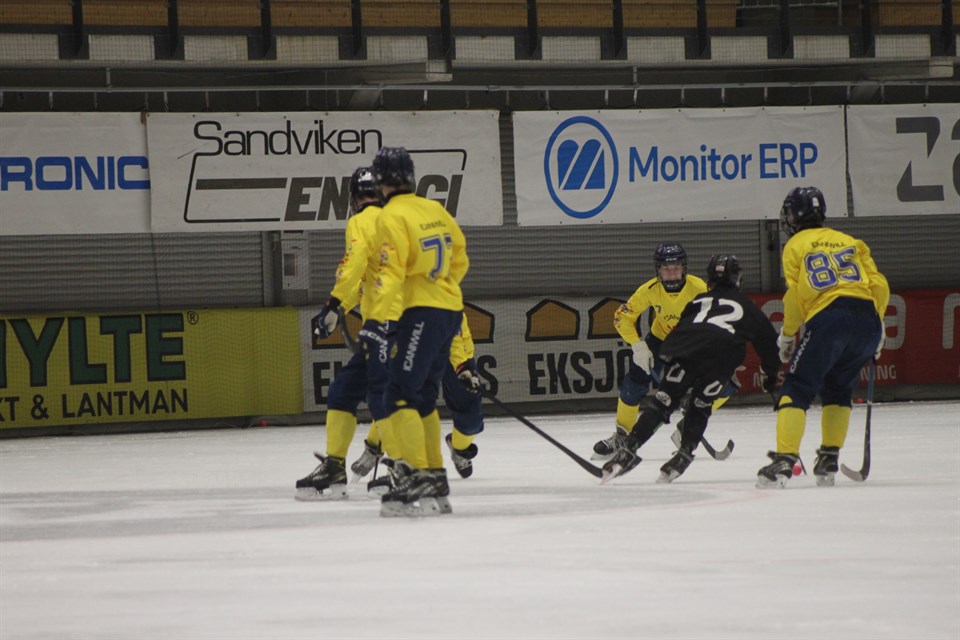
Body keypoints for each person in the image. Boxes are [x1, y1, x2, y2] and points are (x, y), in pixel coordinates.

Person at [602, 255, 781, 483]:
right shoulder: (747, 306)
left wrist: (670, 359)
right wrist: (770, 376)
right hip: (717, 361)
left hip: (683, 355)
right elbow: (768, 343)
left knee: (662, 403)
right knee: (700, 406)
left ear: (709, 280)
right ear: (738, 279)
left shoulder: (699, 299)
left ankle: (628, 449)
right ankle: (683, 453)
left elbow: (682, 329)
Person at [359, 146, 469, 517]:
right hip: (450, 309)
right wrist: (442, 285)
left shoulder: (390, 216)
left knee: (398, 395)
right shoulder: (434, 209)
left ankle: (418, 474)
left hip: (420, 312)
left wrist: (374, 320)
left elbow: (389, 272)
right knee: (422, 397)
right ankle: (434, 476)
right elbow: (460, 256)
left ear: (379, 180)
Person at [756, 186, 888, 489]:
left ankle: (784, 460)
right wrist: (878, 327)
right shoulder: (849, 240)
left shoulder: (795, 245)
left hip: (830, 318)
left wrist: (788, 335)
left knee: (796, 387)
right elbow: (879, 286)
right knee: (839, 389)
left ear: (793, 216)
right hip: (867, 319)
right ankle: (829, 456)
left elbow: (795, 296)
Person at [294, 166, 403, 501]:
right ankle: (335, 465)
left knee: (380, 395)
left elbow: (353, 264)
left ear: (354, 198)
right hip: (403, 324)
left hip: (389, 324)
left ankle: (405, 468)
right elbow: (371, 278)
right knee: (345, 391)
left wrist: (332, 304)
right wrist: (342, 307)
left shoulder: (362, 222)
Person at [593, 242, 713, 460]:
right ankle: (622, 435)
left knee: (716, 384)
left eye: (676, 267)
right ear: (658, 270)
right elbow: (622, 317)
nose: (671, 273)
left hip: (693, 343)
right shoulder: (649, 290)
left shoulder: (700, 288)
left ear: (684, 268)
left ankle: (687, 426)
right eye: (666, 268)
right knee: (633, 384)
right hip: (660, 341)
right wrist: (637, 345)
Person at [351, 313, 484, 484]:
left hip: (456, 350)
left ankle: (460, 449)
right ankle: (374, 448)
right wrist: (333, 306)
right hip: (415, 351)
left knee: (472, 418)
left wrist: (461, 366)